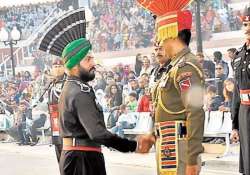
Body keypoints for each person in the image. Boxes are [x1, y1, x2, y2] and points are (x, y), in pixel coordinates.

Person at [38, 8, 151, 175]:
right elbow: (97, 132)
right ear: (75, 65)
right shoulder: (78, 91)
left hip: (80, 157)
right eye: (88, 59)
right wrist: (133, 145)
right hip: (82, 160)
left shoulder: (73, 87)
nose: (94, 63)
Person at [137, 1, 205, 174]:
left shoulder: (186, 67)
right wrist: (153, 134)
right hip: (168, 142)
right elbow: (168, 108)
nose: (160, 42)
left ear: (172, 35)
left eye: (162, 37)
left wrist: (192, 158)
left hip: (181, 147)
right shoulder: (174, 66)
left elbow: (195, 112)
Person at [231, 7, 250, 175]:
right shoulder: (238, 55)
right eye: (245, 23)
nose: (248, 27)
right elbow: (236, 93)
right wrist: (234, 125)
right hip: (244, 110)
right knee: (247, 159)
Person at [47, 59, 66, 162]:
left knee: (66, 149)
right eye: (55, 67)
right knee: (58, 147)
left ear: (64, 67)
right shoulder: (51, 84)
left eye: (59, 67)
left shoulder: (68, 82)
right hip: (54, 120)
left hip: (65, 120)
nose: (57, 69)